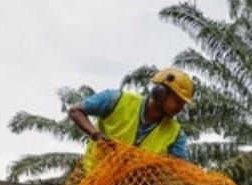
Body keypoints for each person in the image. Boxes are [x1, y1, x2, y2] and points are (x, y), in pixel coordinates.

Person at [68, 68, 196, 172]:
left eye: (183, 104)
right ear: (160, 93)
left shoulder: (175, 133)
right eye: (178, 101)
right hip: (93, 180)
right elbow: (75, 111)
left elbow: (182, 166)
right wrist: (97, 135)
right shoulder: (116, 100)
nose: (181, 108)